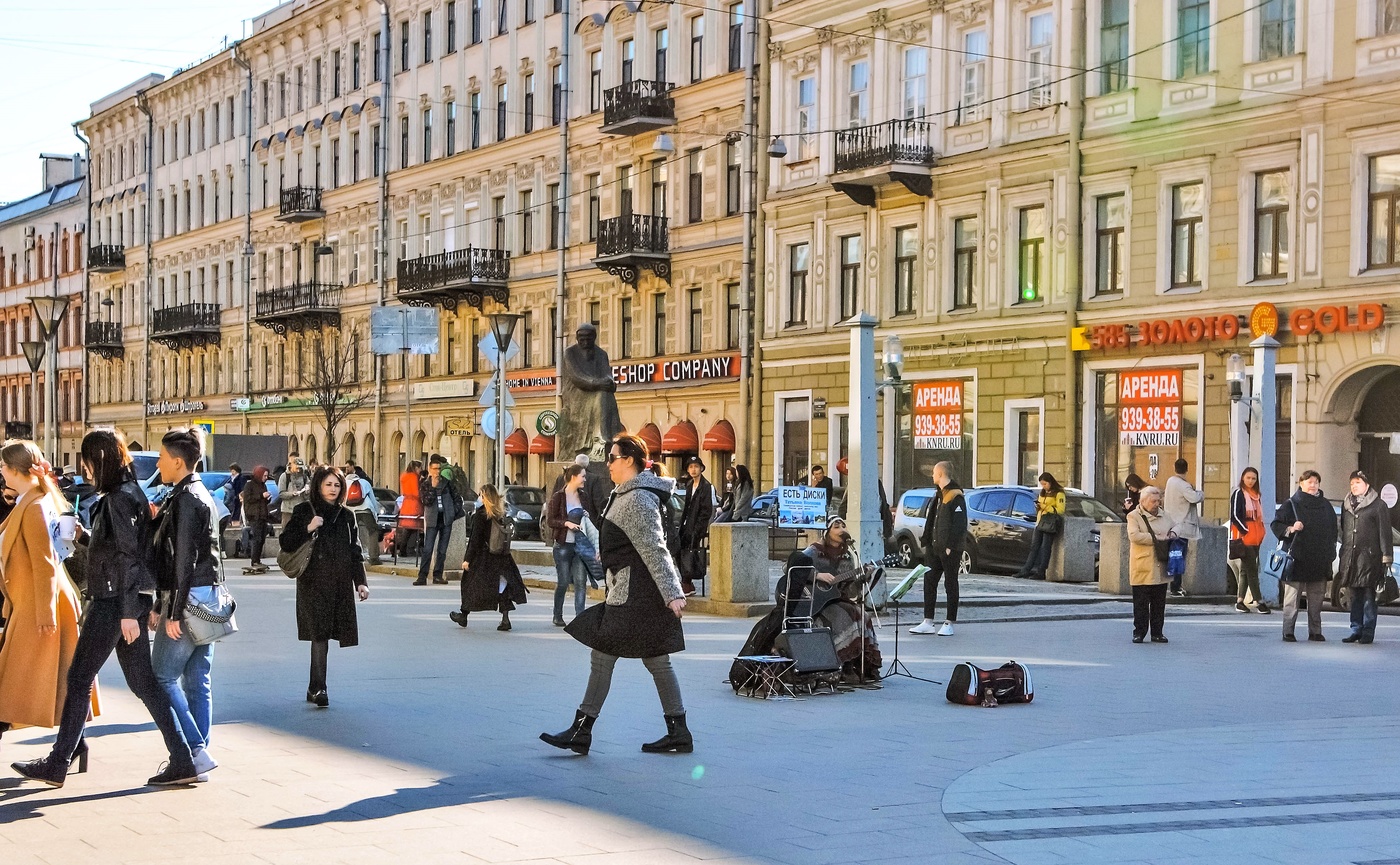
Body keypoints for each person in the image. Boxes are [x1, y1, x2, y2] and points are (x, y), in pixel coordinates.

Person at [12, 431, 204, 788]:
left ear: (98, 460)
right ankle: (183, 758)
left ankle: (57, 763)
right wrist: (85, 537)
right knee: (143, 683)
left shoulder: (119, 498)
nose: (84, 469)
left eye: (86, 461)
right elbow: (120, 550)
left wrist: (130, 611)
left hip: (114, 602)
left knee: (79, 678)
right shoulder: (126, 494)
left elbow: (130, 558)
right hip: (123, 600)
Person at [540, 433, 690, 756]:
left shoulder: (637, 499)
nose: (607, 463)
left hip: (635, 595)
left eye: (612, 457)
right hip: (633, 592)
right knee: (653, 659)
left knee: (606, 653)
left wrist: (672, 592)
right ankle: (678, 730)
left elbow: (654, 547)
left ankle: (583, 729)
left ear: (630, 462)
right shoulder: (627, 494)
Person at [0, 442, 93, 774]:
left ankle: (72, 746)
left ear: (14, 470)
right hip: (32, 604)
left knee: (11, 681)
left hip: (40, 606)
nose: (0, 471)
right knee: (49, 679)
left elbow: (45, 565)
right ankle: (76, 743)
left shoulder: (35, 506)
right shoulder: (32, 500)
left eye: (2, 466)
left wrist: (45, 614)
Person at [149, 428, 223, 767]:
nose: (159, 463)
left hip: (189, 597)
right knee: (197, 679)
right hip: (206, 594)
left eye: (162, 458)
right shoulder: (200, 493)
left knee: (161, 676)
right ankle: (199, 753)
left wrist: (172, 611)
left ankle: (195, 749)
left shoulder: (185, 499)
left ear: (178, 462)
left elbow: (183, 560)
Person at [280, 466, 370, 707]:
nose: (333, 489)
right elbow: (286, 543)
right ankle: (319, 688)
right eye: (328, 484)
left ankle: (313, 687)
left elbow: (355, 551)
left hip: (339, 583)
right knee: (319, 634)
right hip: (313, 582)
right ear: (319, 485)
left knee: (326, 635)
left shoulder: (347, 516)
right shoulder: (303, 511)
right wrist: (308, 528)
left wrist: (360, 582)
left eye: (337, 485)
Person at [802, 517, 882, 683]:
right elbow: (791, 566)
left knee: (863, 616)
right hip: (815, 601)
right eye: (836, 526)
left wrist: (863, 578)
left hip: (836, 598)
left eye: (843, 526)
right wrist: (817, 575)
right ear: (827, 532)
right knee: (844, 618)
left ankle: (860, 664)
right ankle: (843, 665)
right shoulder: (815, 550)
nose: (841, 529)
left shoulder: (848, 557)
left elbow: (849, 590)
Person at [1271, 469, 1339, 643]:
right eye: (1309, 482)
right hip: (1297, 559)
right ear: (1301, 484)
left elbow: (1333, 531)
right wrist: (1291, 529)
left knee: (1316, 601)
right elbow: (1276, 524)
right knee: (1291, 600)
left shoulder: (1326, 505)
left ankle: (1315, 631)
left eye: (1316, 482)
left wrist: (1330, 552)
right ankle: (1288, 631)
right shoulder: (1291, 503)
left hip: (1319, 560)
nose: (1313, 485)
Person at [452, 484, 528, 631]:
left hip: (484, 557)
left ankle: (463, 615)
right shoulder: (500, 514)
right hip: (502, 557)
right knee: (501, 587)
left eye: (480, 495)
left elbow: (475, 540)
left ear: (485, 497)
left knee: (468, 583)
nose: (478, 498)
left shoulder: (481, 515)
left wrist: (467, 559)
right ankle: (505, 619)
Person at [911, 461, 966, 636]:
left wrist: (950, 545)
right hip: (934, 546)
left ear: (941, 474)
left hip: (949, 549)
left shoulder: (955, 496)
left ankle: (949, 622)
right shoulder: (939, 495)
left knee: (950, 584)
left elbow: (959, 524)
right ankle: (928, 621)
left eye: (934, 473)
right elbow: (932, 520)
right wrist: (927, 540)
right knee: (929, 582)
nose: (932, 476)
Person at [1337, 470, 1391, 644]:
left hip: (1369, 558)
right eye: (1352, 483)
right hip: (1351, 558)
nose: (1354, 486)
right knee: (1354, 597)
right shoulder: (1346, 505)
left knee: (1368, 597)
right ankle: (1356, 629)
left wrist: (1386, 556)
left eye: (1358, 483)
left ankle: (1368, 631)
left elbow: (1385, 532)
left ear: (1367, 485)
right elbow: (1344, 531)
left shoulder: (1378, 505)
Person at [1126, 485, 1172, 643]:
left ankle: (1157, 632)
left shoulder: (1164, 515)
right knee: (1141, 602)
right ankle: (1139, 632)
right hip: (1142, 565)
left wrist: (1173, 533)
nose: (1156, 504)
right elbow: (1134, 536)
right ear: (1143, 501)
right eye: (1153, 501)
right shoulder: (1133, 516)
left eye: (1158, 501)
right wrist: (1156, 538)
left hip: (1161, 564)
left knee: (1159, 602)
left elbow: (1176, 526)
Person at [547, 465, 591, 626]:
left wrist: (586, 515)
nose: (585, 479)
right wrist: (566, 523)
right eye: (583, 476)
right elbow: (550, 520)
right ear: (573, 477)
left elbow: (588, 518)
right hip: (563, 545)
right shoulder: (559, 497)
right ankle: (557, 615)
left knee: (580, 581)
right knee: (563, 581)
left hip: (580, 545)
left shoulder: (583, 496)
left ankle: (580, 616)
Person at [413, 457, 463, 585]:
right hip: (432, 519)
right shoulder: (425, 485)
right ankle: (422, 576)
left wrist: (453, 512)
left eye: (439, 469)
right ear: (430, 469)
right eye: (435, 469)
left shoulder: (447, 482)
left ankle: (438, 575)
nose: (437, 471)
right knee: (428, 548)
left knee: (442, 549)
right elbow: (426, 501)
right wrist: (433, 488)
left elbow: (457, 498)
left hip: (446, 519)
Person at [1229, 467, 1271, 614]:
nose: (1251, 481)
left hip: (1257, 535)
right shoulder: (1238, 493)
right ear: (1242, 478)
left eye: (1253, 478)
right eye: (1248, 478)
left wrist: (1261, 532)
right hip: (1245, 536)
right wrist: (1245, 530)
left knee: (1246, 570)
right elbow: (1234, 515)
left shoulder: (1256, 494)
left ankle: (1240, 601)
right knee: (1252, 569)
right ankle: (1259, 602)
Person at [1163, 459, 1203, 597]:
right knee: (1178, 557)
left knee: (1173, 556)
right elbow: (1195, 498)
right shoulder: (1184, 486)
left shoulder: (1170, 482)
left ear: (1174, 468)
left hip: (1171, 524)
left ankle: (1172, 585)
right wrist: (1200, 493)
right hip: (1182, 526)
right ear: (1187, 469)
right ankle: (1176, 587)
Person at [1014, 473, 1066, 580]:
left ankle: (1041, 571)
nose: (1044, 486)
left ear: (1050, 482)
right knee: (1034, 547)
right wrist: (1038, 506)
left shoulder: (1059, 493)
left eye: (1045, 484)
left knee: (1045, 548)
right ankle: (1025, 570)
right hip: (1039, 522)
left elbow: (1060, 510)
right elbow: (1040, 506)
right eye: (1042, 484)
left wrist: (1045, 507)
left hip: (1050, 523)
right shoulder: (1042, 493)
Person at [676, 457, 714, 596]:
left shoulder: (706, 486)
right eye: (691, 467)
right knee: (677, 550)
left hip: (696, 527)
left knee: (689, 553)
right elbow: (686, 507)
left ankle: (687, 583)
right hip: (686, 524)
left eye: (696, 467)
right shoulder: (689, 484)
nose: (693, 469)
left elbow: (706, 511)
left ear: (701, 468)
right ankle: (686, 581)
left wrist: (698, 529)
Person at [343, 464, 382, 566]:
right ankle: (374, 557)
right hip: (366, 509)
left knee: (350, 533)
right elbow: (372, 499)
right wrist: (376, 513)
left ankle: (349, 555)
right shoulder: (364, 482)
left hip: (350, 511)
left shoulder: (344, 483)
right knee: (373, 531)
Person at [239, 466, 273, 574]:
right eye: (264, 476)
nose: (266, 478)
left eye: (267, 476)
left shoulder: (263, 485)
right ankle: (254, 561)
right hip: (254, 515)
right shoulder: (249, 485)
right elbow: (248, 498)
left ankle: (258, 560)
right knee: (257, 538)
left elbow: (263, 501)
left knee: (262, 538)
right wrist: (261, 496)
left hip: (262, 514)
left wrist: (267, 498)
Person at [396, 460, 424, 558]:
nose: (420, 470)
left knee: (407, 530)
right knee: (414, 529)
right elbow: (416, 493)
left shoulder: (404, 476)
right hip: (414, 505)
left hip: (406, 504)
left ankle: (402, 550)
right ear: (416, 468)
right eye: (420, 468)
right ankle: (410, 550)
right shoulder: (414, 477)